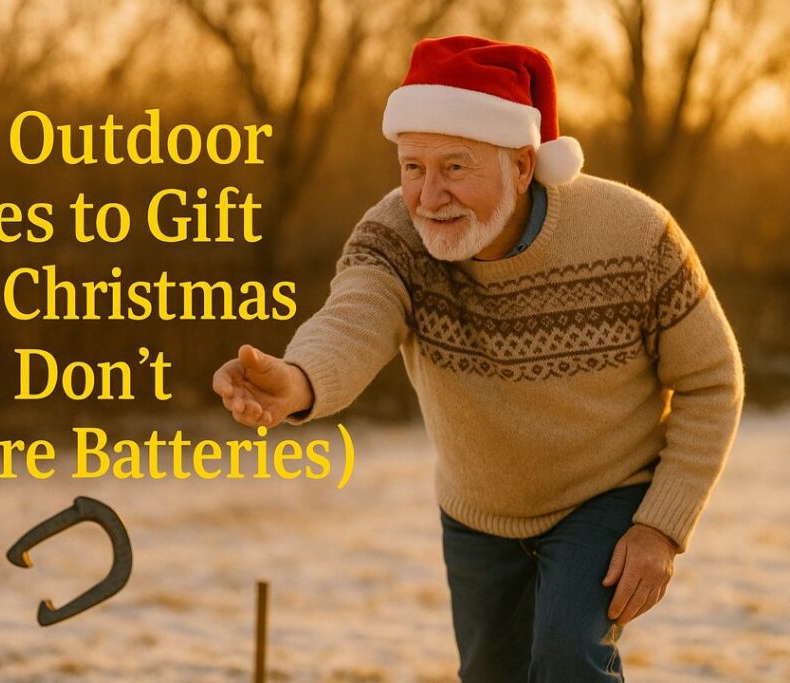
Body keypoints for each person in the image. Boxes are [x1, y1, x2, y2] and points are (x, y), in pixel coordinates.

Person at [212, 35, 745, 682]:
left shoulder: (636, 235)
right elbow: (355, 319)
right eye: (412, 167)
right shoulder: (395, 238)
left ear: (522, 165)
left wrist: (661, 527)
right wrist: (295, 382)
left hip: (605, 491)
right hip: (477, 510)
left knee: (566, 657)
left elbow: (712, 381)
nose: (429, 195)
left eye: (455, 167)